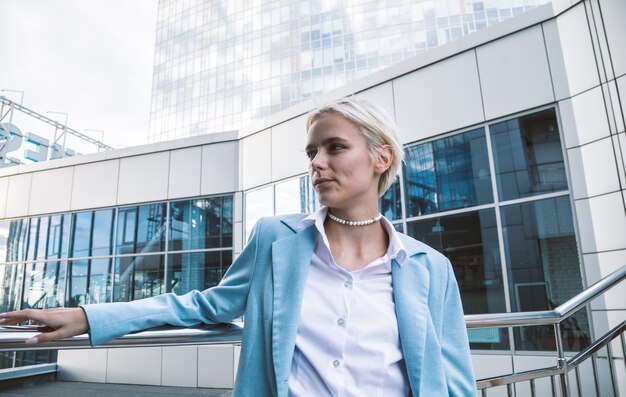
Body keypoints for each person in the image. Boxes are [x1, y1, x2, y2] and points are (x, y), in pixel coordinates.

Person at [0, 98, 476, 396]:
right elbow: (207, 304)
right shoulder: (277, 240)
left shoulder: (429, 267)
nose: (317, 163)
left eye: (334, 148)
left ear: (381, 158)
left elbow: (453, 376)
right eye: (311, 152)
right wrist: (89, 317)